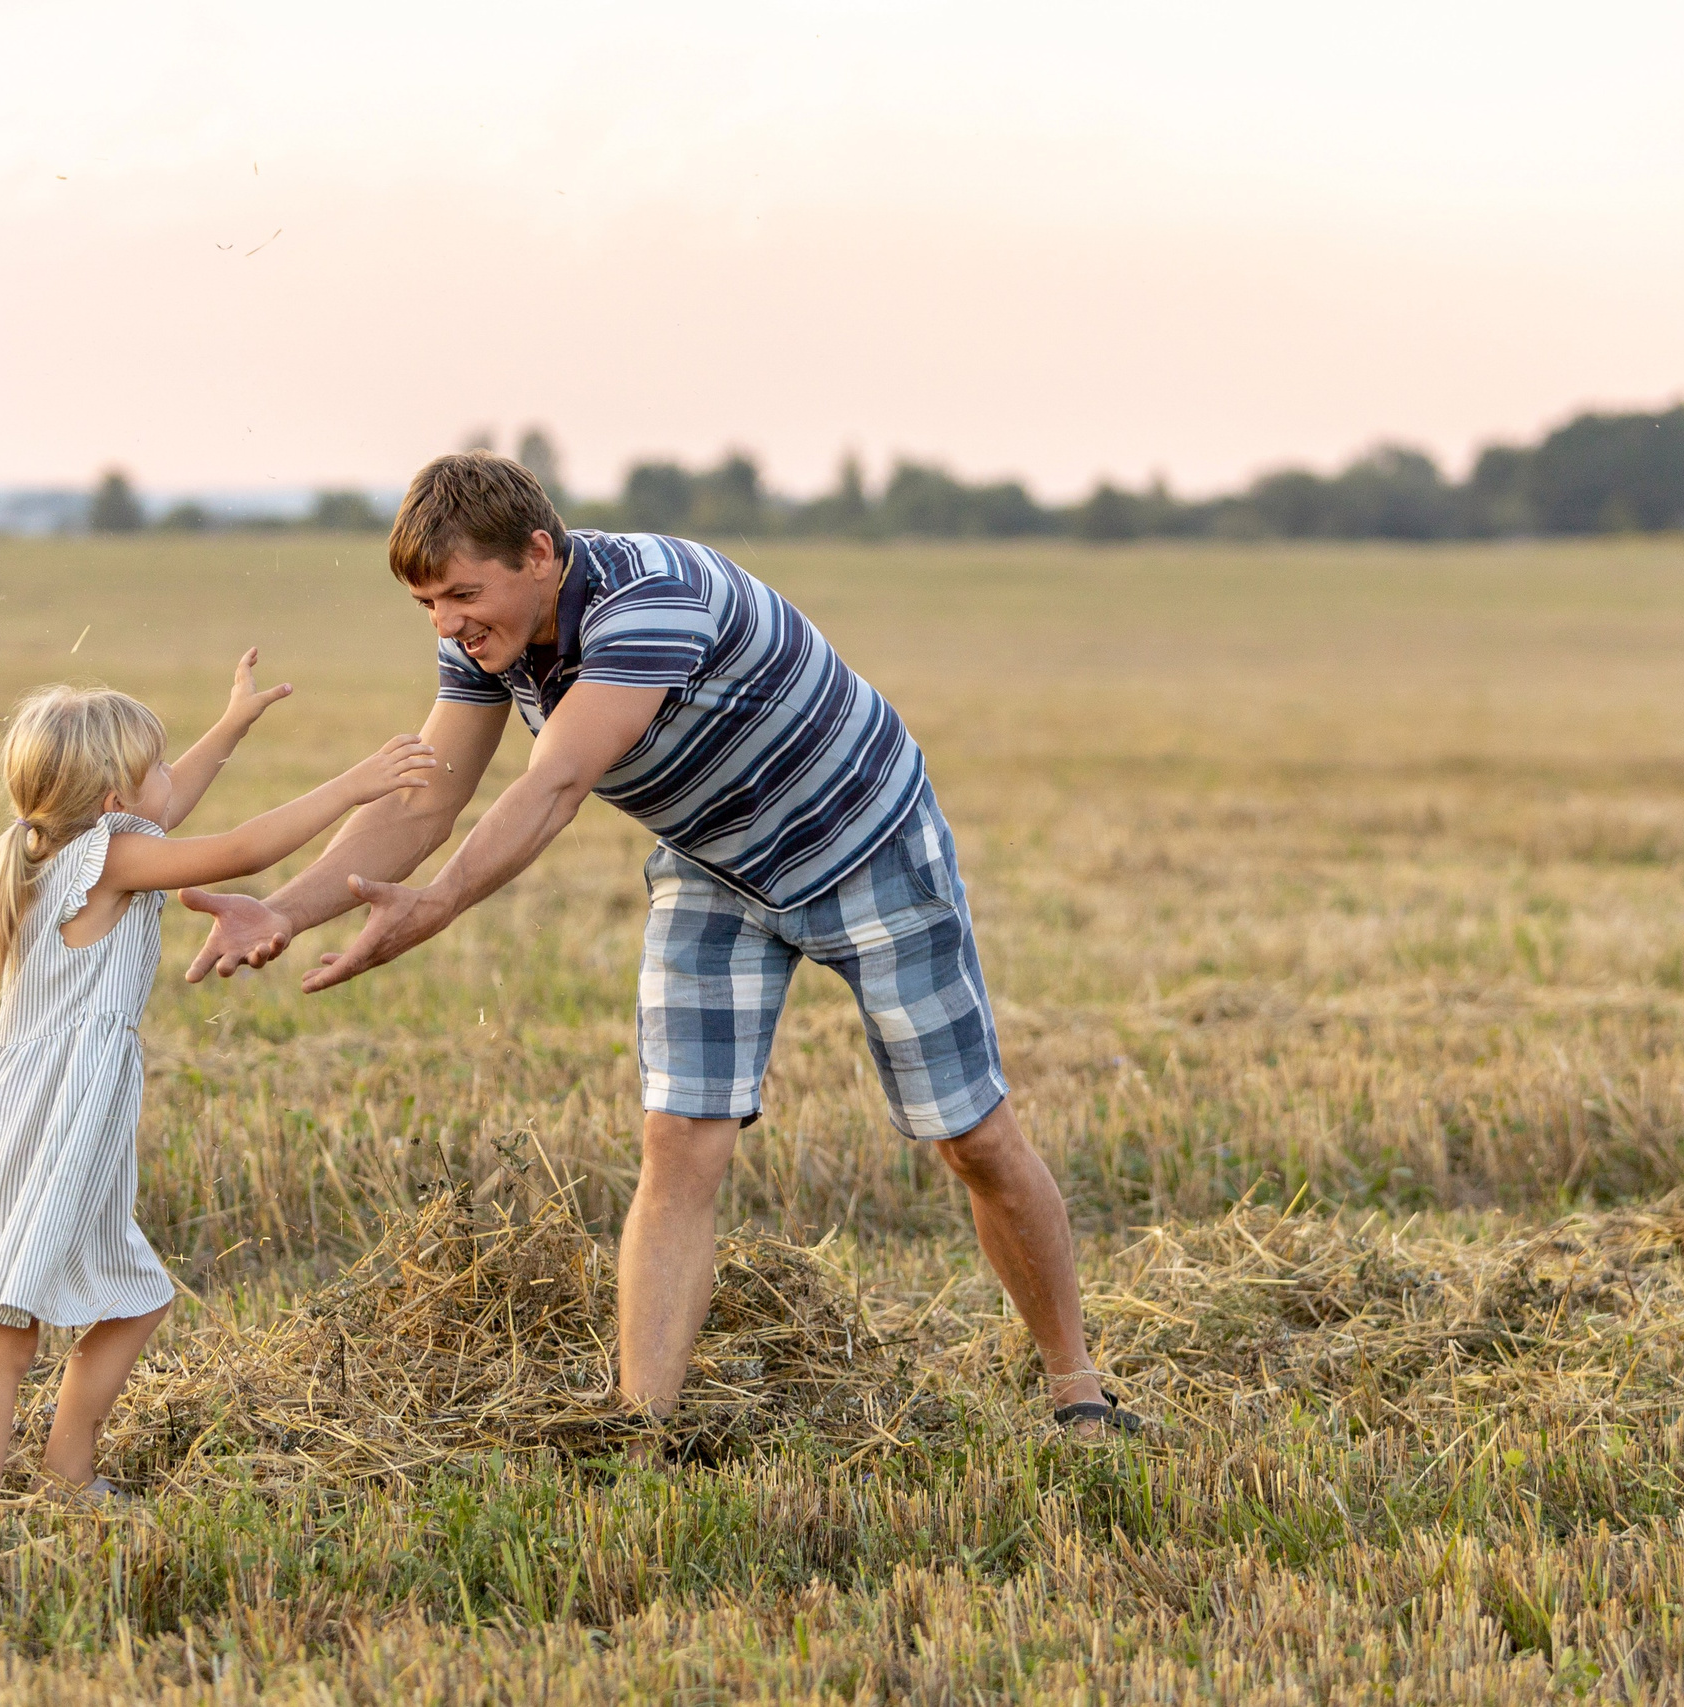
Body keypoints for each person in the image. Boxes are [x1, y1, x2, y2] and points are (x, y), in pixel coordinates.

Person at [184, 455, 1141, 1439]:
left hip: (868, 847)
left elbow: (552, 786)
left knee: (968, 1137)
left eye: (464, 593)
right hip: (718, 866)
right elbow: (429, 796)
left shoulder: (653, 599)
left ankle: (1076, 1391)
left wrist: (435, 908)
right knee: (679, 1143)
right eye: (427, 602)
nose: (446, 622)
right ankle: (643, 1430)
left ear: (540, 555)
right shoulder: (483, 645)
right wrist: (285, 911)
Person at [0, 654, 437, 1499]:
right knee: (5, 1336)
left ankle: (67, 1477)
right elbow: (241, 847)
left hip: (48, 1110)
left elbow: (166, 804)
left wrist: (233, 725)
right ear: (111, 805)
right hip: (43, 1115)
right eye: (156, 769)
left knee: (133, 1297)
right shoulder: (110, 858)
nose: (172, 778)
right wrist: (353, 786)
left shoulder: (62, 848)